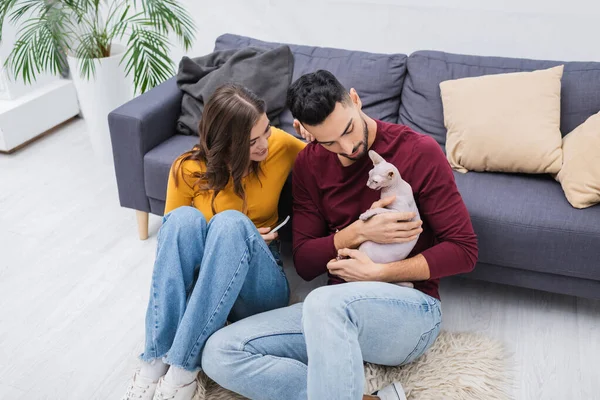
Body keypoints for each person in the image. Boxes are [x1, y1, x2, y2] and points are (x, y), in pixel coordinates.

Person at [201, 70, 478, 400]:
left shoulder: (419, 152)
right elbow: (304, 262)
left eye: (348, 128)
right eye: (329, 142)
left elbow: (464, 250)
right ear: (309, 134)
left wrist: (380, 272)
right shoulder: (309, 164)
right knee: (220, 352)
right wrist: (357, 232)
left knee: (321, 301)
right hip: (329, 317)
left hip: (410, 312)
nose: (347, 147)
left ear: (355, 100)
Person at [122, 83, 306, 400]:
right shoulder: (187, 169)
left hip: (260, 285)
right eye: (252, 141)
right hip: (208, 282)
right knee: (182, 221)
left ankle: (182, 367)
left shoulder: (281, 146)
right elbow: (173, 251)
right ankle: (154, 360)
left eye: (266, 130)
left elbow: (330, 161)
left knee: (232, 223)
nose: (265, 143)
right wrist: (228, 240)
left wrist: (245, 238)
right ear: (228, 144)